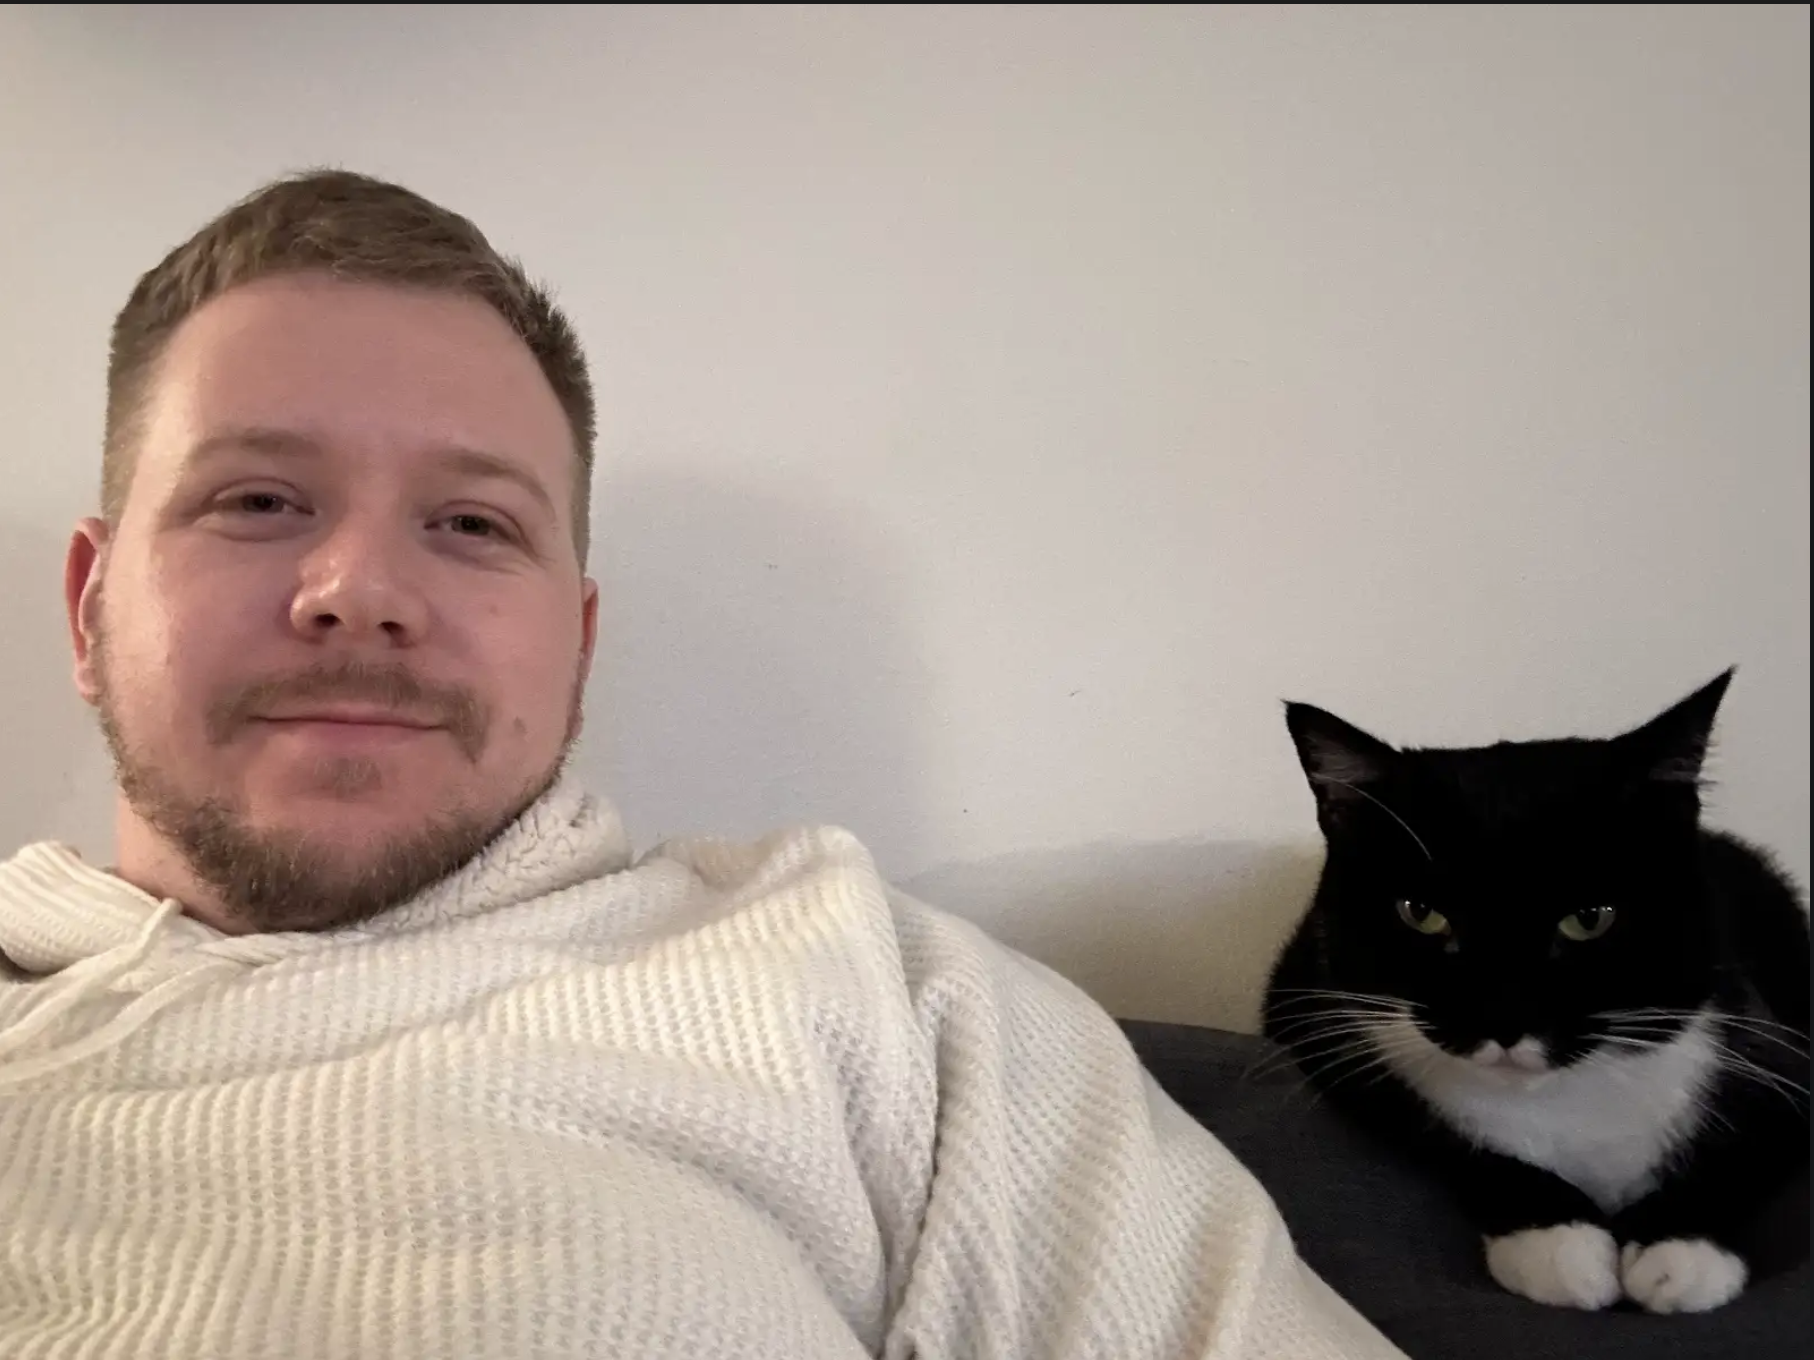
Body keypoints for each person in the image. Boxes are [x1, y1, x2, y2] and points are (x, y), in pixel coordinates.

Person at [0, 170, 1404, 1360]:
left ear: (581, 644)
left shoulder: (882, 1001)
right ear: (89, 606)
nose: (359, 589)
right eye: (258, 500)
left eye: (474, 525)